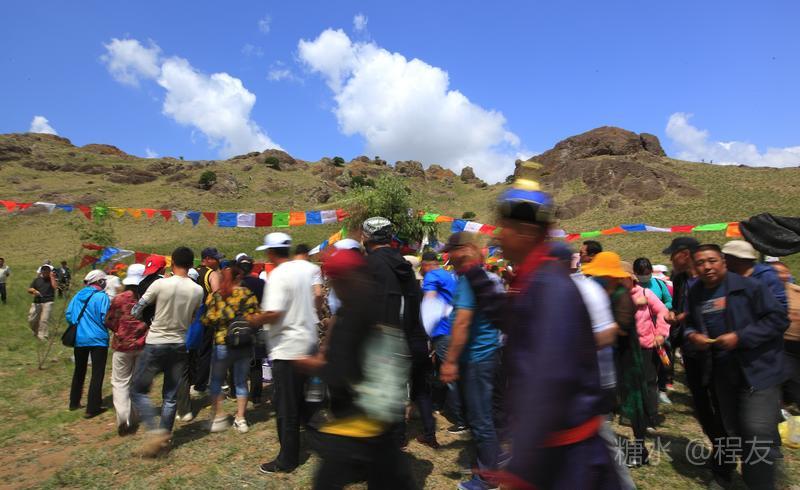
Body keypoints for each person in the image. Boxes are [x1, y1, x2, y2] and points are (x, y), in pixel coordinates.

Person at [492, 183, 618, 489]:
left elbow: (550, 377)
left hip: (567, 460)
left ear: (525, 232)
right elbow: (510, 322)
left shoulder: (549, 287)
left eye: (503, 227)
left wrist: (523, 464)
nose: (497, 235)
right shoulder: (534, 280)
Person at [294, 248, 415, 489]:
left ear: (342, 280)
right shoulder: (380, 303)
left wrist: (311, 365)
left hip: (355, 422)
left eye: (333, 281)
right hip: (383, 415)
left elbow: (341, 373)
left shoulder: (351, 315)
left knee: (326, 483)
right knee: (393, 479)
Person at [685, 244, 789, 489]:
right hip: (723, 372)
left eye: (712, 261)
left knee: (756, 431)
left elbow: (777, 320)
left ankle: (760, 483)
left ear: (723, 261)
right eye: (700, 263)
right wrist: (692, 335)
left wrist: (740, 337)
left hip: (758, 371)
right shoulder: (696, 292)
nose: (706, 267)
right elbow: (690, 322)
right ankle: (734, 472)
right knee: (733, 429)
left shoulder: (750, 287)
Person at [550, 243, 633, 489]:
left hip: (591, 377)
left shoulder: (587, 290)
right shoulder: (585, 288)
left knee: (598, 435)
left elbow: (609, 333)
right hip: (588, 375)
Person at [360, 217, 437, 451]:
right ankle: (418, 433)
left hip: (386, 340)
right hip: (414, 337)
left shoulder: (371, 264)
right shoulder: (403, 264)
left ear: (367, 237)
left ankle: (395, 440)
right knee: (417, 388)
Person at [248, 232, 321, 474]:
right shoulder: (303, 270)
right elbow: (317, 296)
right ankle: (321, 442)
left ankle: (287, 459)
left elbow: (275, 312)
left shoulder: (278, 275)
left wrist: (255, 320)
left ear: (270, 252)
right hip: (307, 341)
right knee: (305, 400)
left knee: (286, 406)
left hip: (288, 348)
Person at [440, 232, 502, 489]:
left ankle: (487, 479)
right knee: (485, 416)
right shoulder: (485, 277)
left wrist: (450, 361)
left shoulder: (468, 280)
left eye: (451, 252)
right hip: (488, 354)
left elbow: (462, 322)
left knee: (480, 419)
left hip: (476, 358)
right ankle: (493, 463)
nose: (448, 258)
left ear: (464, 250)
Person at [130, 247, 204, 457]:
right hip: (179, 343)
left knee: (137, 390)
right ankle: (165, 438)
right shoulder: (197, 290)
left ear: (173, 263)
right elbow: (192, 317)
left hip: (156, 342)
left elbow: (136, 310)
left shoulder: (160, 284)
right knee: (170, 396)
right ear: (190, 264)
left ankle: (155, 433)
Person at [583, 253, 651, 467]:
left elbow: (621, 328)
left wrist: (596, 332)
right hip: (609, 356)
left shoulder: (622, 296)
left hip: (625, 357)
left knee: (633, 401)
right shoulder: (606, 293)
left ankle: (639, 450)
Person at [203, 263, 260, 434]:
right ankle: (241, 418)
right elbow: (256, 316)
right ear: (238, 277)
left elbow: (207, 319)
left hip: (222, 342)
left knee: (217, 381)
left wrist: (223, 318)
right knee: (241, 381)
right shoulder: (247, 294)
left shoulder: (217, 295)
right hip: (243, 342)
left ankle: (218, 416)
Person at [420, 250, 465, 433]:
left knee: (450, 374)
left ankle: (461, 419)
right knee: (443, 371)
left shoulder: (431, 276)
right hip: (455, 329)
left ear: (425, 264)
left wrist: (426, 331)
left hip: (442, 331)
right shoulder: (450, 276)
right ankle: (439, 404)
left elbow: (429, 303)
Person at [105, 263, 148, 436]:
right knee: (136, 381)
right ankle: (135, 415)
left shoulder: (119, 298)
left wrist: (119, 330)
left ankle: (124, 417)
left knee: (120, 382)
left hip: (122, 346)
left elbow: (109, 320)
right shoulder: (147, 298)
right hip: (143, 344)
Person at [66, 270, 111, 418]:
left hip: (80, 338)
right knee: (97, 373)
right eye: (104, 280)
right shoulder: (102, 297)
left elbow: (69, 315)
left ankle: (74, 402)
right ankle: (92, 407)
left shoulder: (78, 295)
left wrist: (79, 325)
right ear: (99, 281)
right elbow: (106, 318)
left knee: (79, 371)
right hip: (98, 339)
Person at [633, 257, 674, 404]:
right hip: (644, 330)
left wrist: (658, 306)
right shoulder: (634, 287)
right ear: (635, 273)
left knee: (664, 358)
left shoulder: (659, 284)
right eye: (641, 273)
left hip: (660, 327)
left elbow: (669, 301)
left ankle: (662, 388)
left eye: (647, 273)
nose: (645, 276)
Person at [191, 247, 224, 396]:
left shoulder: (193, 271)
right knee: (205, 352)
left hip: (190, 316)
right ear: (207, 259)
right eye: (216, 259)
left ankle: (191, 380)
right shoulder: (212, 274)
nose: (219, 261)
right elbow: (217, 296)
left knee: (192, 350)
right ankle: (200, 385)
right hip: (206, 316)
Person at [236, 253, 267, 404]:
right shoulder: (261, 283)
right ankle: (257, 395)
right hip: (257, 322)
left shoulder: (237, 284)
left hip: (239, 324)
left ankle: (236, 391)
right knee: (257, 360)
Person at [722, 240, 788, 311]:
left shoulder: (766, 276)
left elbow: (780, 304)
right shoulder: (729, 276)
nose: (724, 261)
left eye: (727, 257)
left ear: (738, 260)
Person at [774, 262, 800, 407]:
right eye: (776, 272)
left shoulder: (797, 292)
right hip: (784, 346)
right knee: (793, 380)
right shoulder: (767, 293)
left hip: (797, 344)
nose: (781, 275)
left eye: (784, 272)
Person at [28, 264, 58, 340]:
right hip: (37, 302)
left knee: (44, 319)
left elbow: (55, 287)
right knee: (32, 319)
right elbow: (29, 289)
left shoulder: (52, 279)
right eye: (44, 271)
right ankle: (36, 332)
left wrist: (52, 277)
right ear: (41, 272)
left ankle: (42, 336)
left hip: (48, 301)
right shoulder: (37, 280)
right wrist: (34, 291)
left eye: (47, 272)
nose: (45, 273)